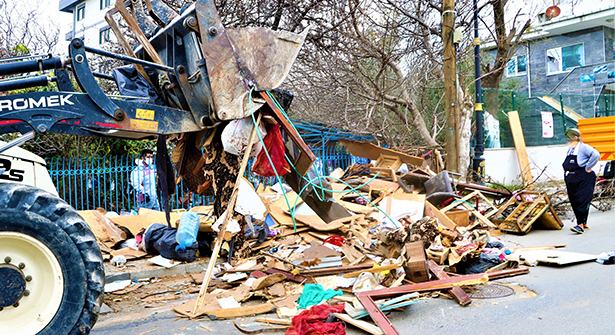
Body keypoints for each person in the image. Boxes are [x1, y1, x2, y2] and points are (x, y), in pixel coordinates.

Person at [562, 128, 599, 234]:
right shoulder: (570, 149)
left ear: (576, 137)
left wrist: (588, 167)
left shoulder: (584, 147)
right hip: (572, 177)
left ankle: (580, 225)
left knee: (582, 199)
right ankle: (584, 222)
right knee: (574, 200)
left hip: (584, 176)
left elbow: (596, 155)